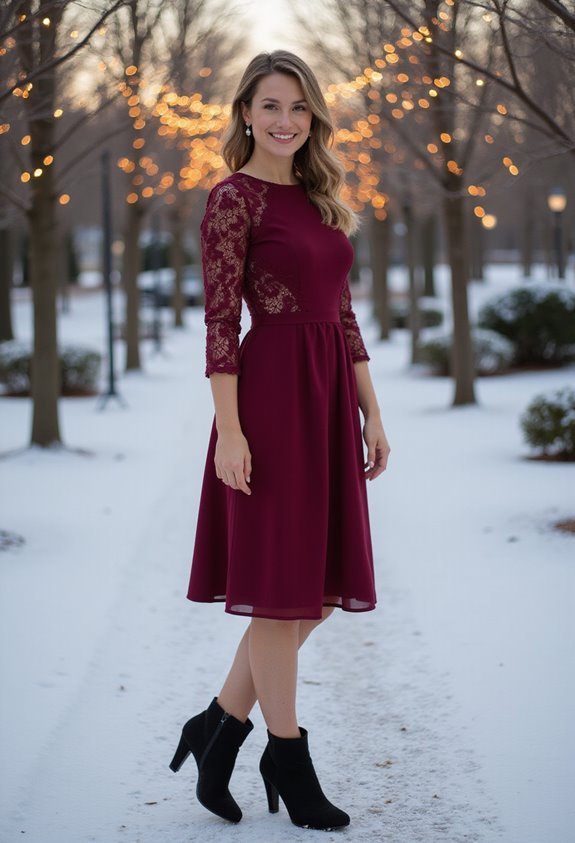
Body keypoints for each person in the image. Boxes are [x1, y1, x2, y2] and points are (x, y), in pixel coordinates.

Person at [169, 50, 391, 831]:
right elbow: (221, 322)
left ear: (313, 115)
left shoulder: (323, 196)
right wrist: (229, 429)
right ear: (244, 113)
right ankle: (287, 758)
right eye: (270, 105)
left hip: (328, 395)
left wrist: (369, 407)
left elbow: (344, 311)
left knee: (316, 591)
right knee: (281, 589)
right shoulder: (232, 200)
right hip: (269, 400)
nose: (285, 120)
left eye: (297, 107)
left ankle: (217, 729)